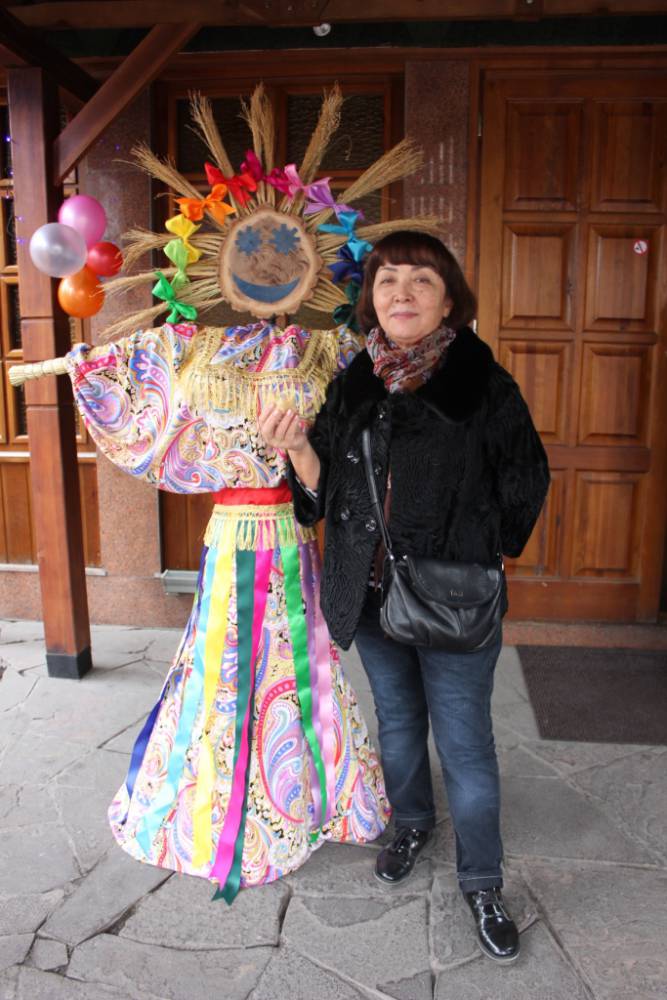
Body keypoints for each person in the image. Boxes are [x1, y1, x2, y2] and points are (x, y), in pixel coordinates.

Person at [12, 88, 432, 902]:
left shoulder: (324, 351)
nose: (267, 271)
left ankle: (307, 788)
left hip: (291, 531)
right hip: (230, 537)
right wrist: (82, 364)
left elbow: (376, 399)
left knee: (301, 659)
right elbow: (139, 368)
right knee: (222, 660)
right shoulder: (199, 349)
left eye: (281, 257)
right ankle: (215, 789)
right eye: (253, 258)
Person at [258, 230, 550, 960]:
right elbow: (324, 492)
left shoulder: (483, 385)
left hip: (452, 600)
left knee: (465, 744)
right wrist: (298, 450)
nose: (402, 294)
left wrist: (475, 549)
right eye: (388, 280)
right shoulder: (356, 381)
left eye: (421, 280)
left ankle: (482, 881)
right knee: (396, 724)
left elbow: (525, 480)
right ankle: (412, 823)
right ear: (372, 299)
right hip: (371, 597)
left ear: (449, 301)